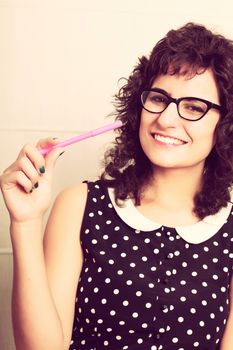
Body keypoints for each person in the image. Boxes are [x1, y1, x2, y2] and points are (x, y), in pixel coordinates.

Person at [1, 22, 233, 350]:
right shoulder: (79, 205)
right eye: (158, 98)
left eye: (194, 107)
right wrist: (24, 222)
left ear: (226, 125)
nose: (166, 119)